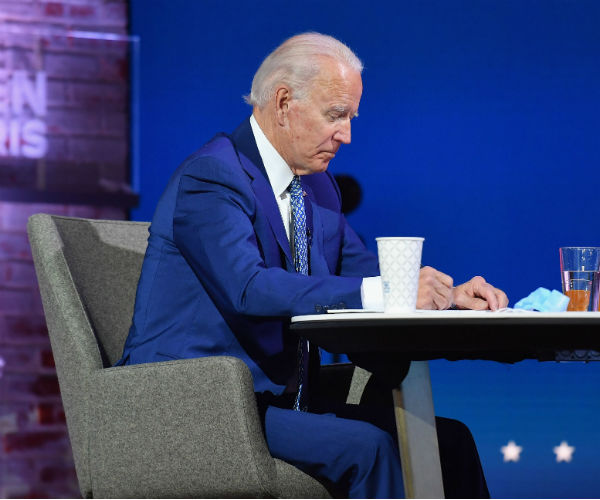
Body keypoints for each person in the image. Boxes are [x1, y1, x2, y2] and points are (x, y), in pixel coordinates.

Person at [116, 32, 508, 498]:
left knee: (451, 441)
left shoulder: (319, 188)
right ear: (283, 102)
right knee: (372, 447)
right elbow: (250, 288)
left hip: (277, 400)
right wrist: (383, 294)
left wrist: (447, 296)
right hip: (195, 405)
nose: (346, 134)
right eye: (335, 115)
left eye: (350, 117)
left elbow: (365, 274)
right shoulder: (213, 177)